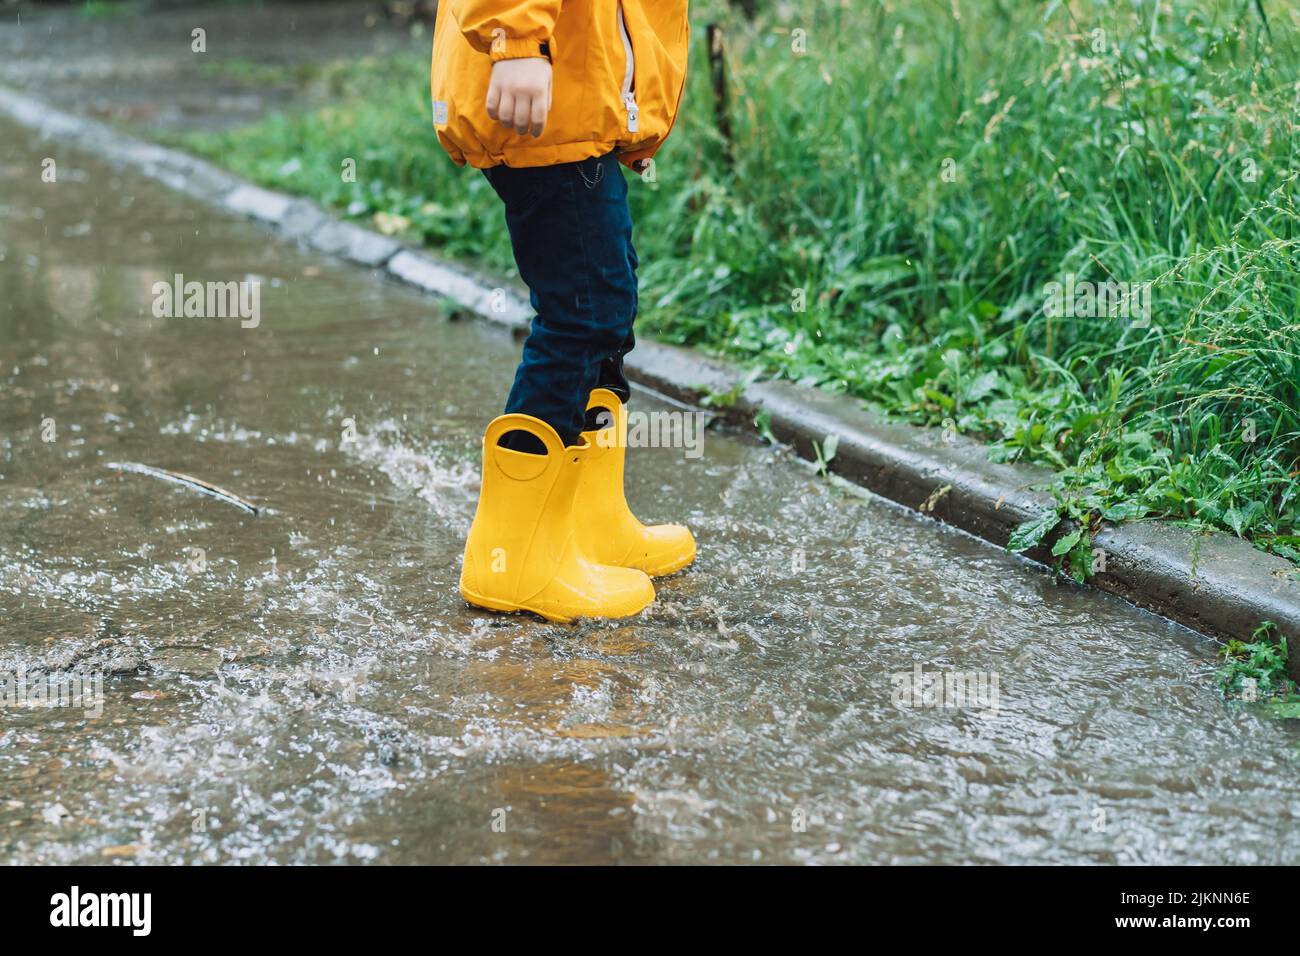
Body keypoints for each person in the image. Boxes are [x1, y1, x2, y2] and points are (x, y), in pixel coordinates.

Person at [430, 1, 695, 622]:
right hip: (544, 101)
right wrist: (515, 42)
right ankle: (511, 559)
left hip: (575, 106)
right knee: (581, 316)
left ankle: (588, 529)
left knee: (608, 308)